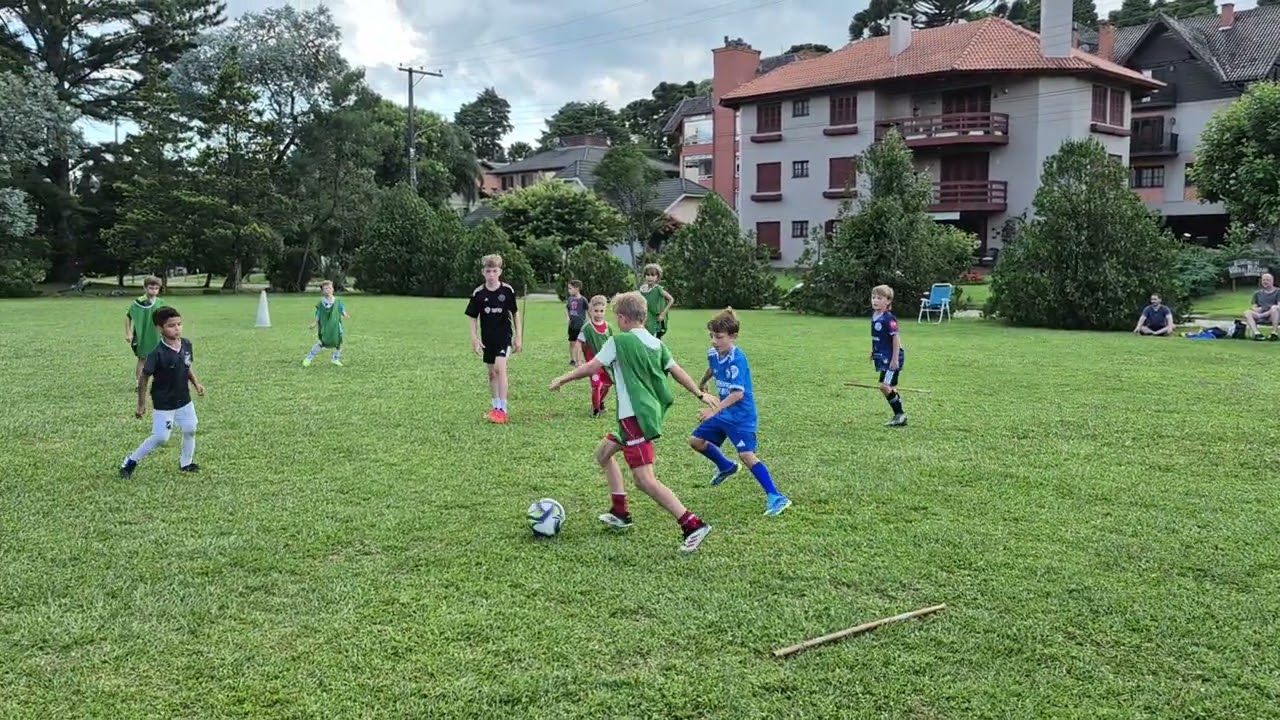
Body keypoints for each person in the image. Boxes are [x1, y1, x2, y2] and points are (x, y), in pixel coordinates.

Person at [549, 291, 715, 553]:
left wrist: (563, 378)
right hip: (641, 416)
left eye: (617, 316)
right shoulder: (656, 343)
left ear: (624, 318)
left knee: (644, 480)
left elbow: (592, 367)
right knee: (603, 454)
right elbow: (676, 370)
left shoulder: (620, 341)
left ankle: (692, 524)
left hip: (634, 418)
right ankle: (620, 512)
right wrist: (699, 392)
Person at [690, 308, 791, 516]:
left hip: (741, 416)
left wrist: (713, 411)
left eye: (719, 337)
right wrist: (702, 383)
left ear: (733, 337)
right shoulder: (714, 353)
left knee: (746, 455)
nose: (714, 341)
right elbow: (712, 367)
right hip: (724, 413)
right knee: (696, 441)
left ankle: (776, 496)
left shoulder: (738, 359)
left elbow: (737, 394)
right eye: (711, 336)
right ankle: (726, 466)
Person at [120, 306, 205, 478]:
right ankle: (130, 461)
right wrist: (141, 404)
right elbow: (144, 378)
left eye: (179, 324)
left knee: (190, 429)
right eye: (171, 325)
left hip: (184, 399)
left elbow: (187, 366)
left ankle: (186, 463)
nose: (177, 328)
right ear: (160, 329)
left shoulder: (186, 344)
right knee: (161, 438)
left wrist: (196, 383)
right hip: (164, 401)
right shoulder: (156, 353)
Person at [465, 254, 522, 423]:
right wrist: (474, 338)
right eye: (488, 271)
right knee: (491, 374)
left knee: (500, 369)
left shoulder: (507, 291)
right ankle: (495, 406)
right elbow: (473, 317)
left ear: (500, 272)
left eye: (494, 271)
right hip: (487, 339)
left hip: (504, 336)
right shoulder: (479, 293)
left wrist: (519, 336)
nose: (491, 274)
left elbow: (515, 313)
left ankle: (503, 409)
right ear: (483, 272)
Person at [871, 285, 908, 427]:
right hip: (883, 356)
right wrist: (873, 351)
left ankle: (900, 415)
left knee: (884, 386)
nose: (875, 300)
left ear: (888, 301)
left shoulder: (889, 319)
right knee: (890, 386)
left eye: (879, 298)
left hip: (892, 358)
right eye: (873, 297)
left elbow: (895, 338)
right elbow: (878, 337)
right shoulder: (875, 316)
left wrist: (894, 359)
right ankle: (899, 409)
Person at [577, 294, 614, 417]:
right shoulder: (586, 328)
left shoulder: (609, 327)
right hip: (593, 363)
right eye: (596, 311)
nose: (598, 314)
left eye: (601, 311)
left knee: (607, 385)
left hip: (606, 363)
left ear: (605, 311)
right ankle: (596, 410)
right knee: (596, 385)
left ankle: (600, 402)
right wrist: (579, 360)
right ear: (590, 310)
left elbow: (613, 344)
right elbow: (579, 343)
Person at [125, 276, 166, 383]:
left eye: (156, 288)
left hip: (157, 335)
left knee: (159, 359)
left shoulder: (160, 302)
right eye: (151, 288)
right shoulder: (139, 302)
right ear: (145, 288)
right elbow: (128, 316)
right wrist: (128, 333)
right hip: (142, 335)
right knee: (142, 359)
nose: (154, 290)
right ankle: (139, 383)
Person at [303, 280, 350, 366]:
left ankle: (335, 358)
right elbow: (318, 313)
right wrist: (315, 322)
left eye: (329, 288)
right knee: (322, 342)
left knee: (339, 342)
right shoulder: (321, 303)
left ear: (333, 289)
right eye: (325, 288)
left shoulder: (337, 301)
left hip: (335, 326)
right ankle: (309, 358)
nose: (328, 290)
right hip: (325, 326)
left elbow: (341, 309)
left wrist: (344, 313)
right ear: (322, 291)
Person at [638, 263, 674, 338]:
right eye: (647, 275)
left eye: (652, 275)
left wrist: (663, 314)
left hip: (656, 320)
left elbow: (671, 299)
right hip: (645, 319)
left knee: (656, 340)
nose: (650, 277)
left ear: (657, 277)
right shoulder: (642, 290)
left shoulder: (658, 289)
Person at [1243, 273, 1280, 341]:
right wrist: (1256, 309)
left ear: (1272, 281)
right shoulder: (1257, 293)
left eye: (1267, 280)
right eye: (1263, 280)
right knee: (1247, 312)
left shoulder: (1278, 291)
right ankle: (1257, 333)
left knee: (1274, 308)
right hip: (1260, 315)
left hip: (1273, 316)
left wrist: (1262, 315)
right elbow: (1254, 307)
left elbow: (1279, 306)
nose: (1265, 282)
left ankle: (1274, 333)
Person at [565, 280, 588, 366]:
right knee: (572, 342)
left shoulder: (583, 300)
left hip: (581, 326)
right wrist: (567, 318)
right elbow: (567, 309)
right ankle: (572, 360)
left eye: (570, 288)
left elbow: (588, 311)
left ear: (577, 289)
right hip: (572, 325)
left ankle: (580, 360)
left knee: (580, 343)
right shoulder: (570, 299)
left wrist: (591, 321)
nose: (569, 290)